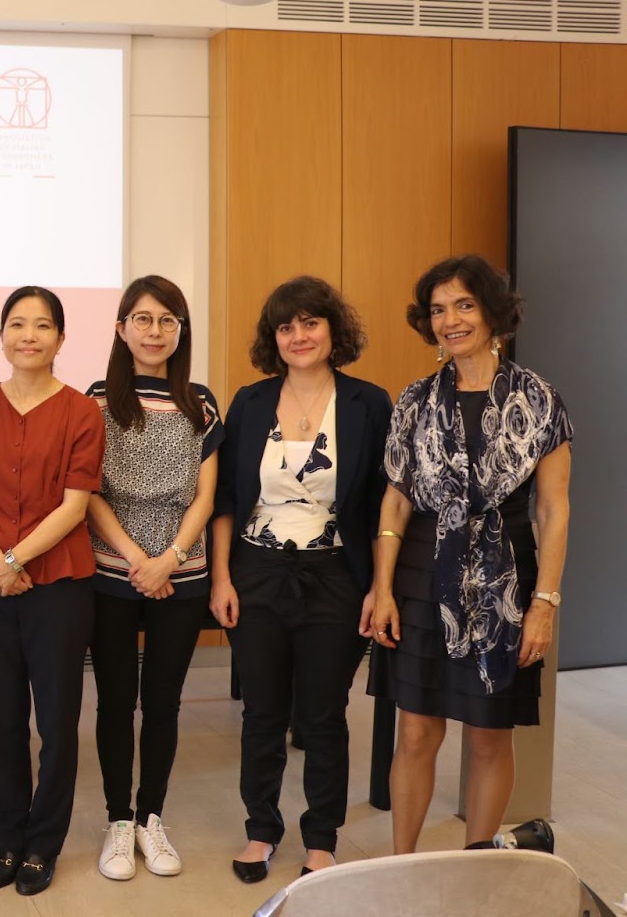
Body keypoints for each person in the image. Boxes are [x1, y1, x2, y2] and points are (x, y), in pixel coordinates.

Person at [368, 255, 572, 852]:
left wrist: (544, 604)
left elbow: (553, 509)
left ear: (492, 312)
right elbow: (395, 502)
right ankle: (402, 864)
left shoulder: (539, 400)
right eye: (438, 310)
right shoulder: (415, 400)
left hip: (504, 581)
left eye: (464, 305)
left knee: (488, 736)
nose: (450, 320)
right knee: (415, 732)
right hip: (421, 574)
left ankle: (476, 865)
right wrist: (382, 587)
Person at [209, 276, 391, 881]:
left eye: (310, 323)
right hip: (256, 573)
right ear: (274, 339)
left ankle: (321, 839)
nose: (298, 336)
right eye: (286, 327)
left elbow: (381, 506)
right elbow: (226, 499)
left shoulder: (369, 403)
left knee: (323, 715)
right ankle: (261, 831)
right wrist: (221, 578)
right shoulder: (250, 402)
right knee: (262, 713)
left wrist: (379, 586)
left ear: (334, 330)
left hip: (337, 577)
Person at [0, 286, 104, 896]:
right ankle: (9, 839)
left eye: (43, 326)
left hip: (59, 584)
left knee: (58, 722)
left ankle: (43, 845)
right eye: (17, 324)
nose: (29, 336)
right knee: (2, 717)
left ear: (61, 339)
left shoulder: (81, 411)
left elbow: (76, 505)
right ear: (1, 336)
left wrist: (15, 559)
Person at [85, 276, 222, 882]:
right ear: (121, 329)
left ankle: (151, 818)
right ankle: (118, 821)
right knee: (116, 702)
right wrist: (138, 561)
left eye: (168, 320)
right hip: (112, 573)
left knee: (163, 703)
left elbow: (206, 497)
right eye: (142, 319)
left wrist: (169, 558)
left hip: (180, 575)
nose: (155, 331)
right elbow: (88, 492)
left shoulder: (201, 402)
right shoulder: (96, 400)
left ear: (180, 331)